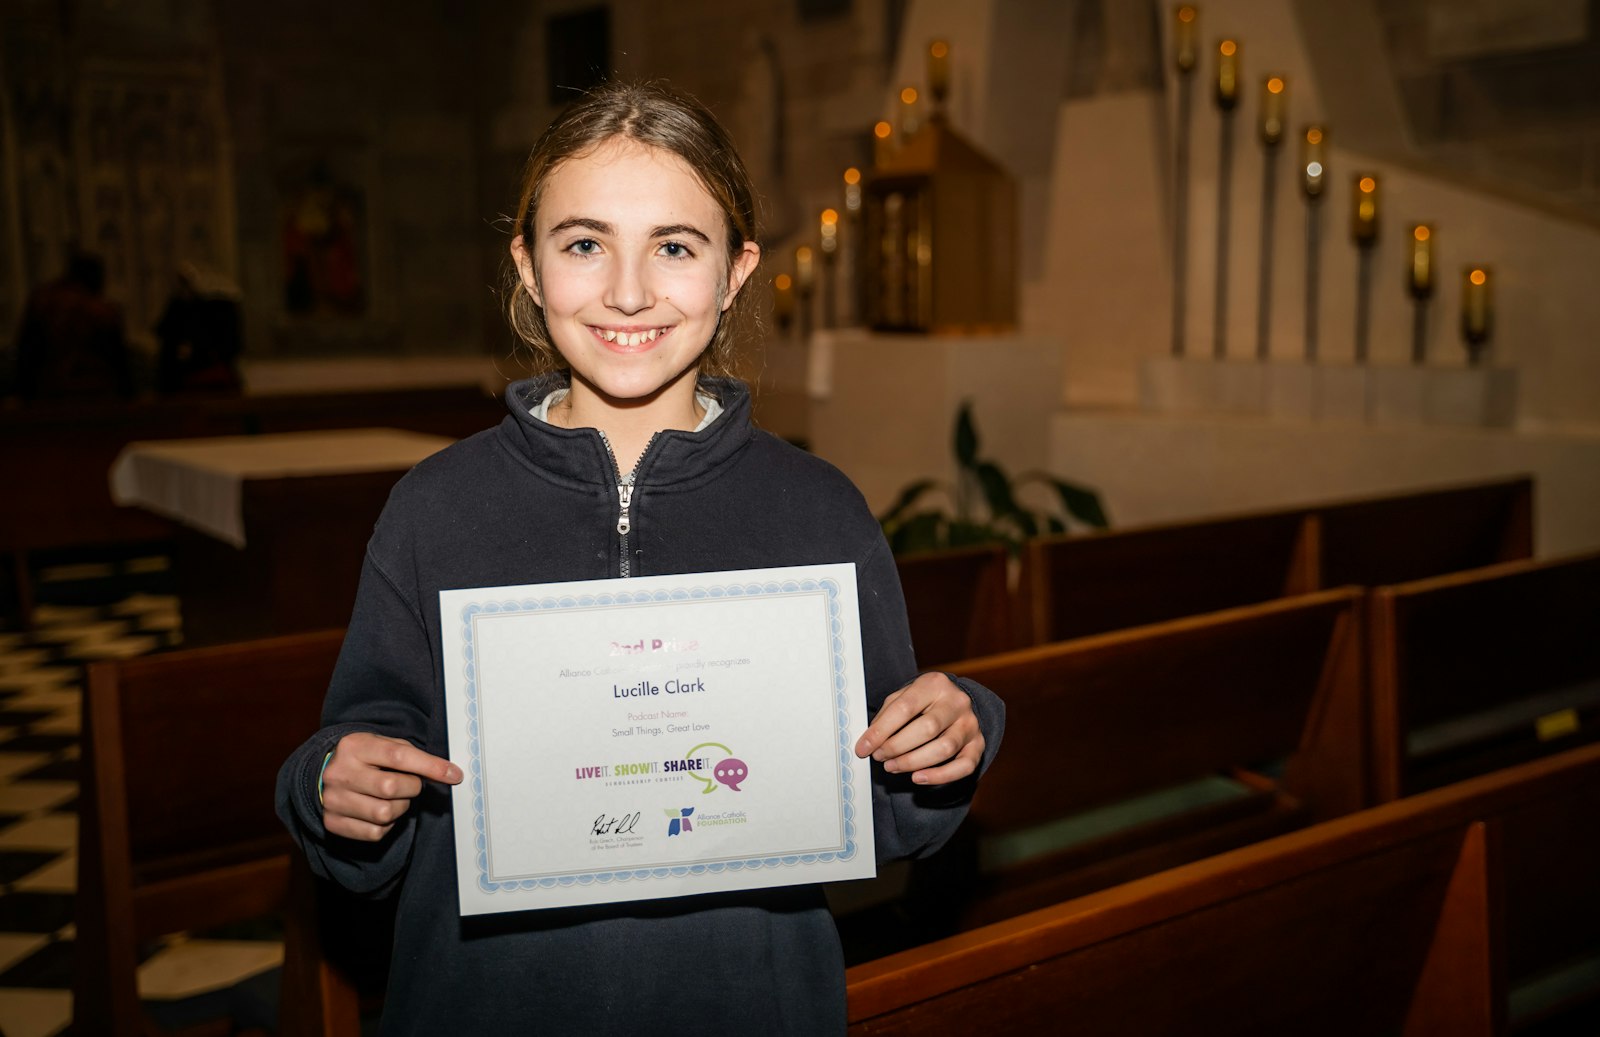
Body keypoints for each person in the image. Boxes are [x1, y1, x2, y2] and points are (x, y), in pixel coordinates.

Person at [276, 80, 1004, 1034]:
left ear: (736, 270)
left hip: (748, 1002)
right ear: (529, 268)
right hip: (486, 1003)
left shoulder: (817, 510)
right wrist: (332, 780)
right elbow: (359, 738)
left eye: (673, 246)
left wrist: (949, 735)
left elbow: (885, 791)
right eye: (584, 244)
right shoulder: (436, 509)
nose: (628, 291)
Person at [12, 251, 133, 402]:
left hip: (47, 395)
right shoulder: (101, 312)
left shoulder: (42, 302)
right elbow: (119, 364)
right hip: (94, 395)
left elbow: (27, 357)